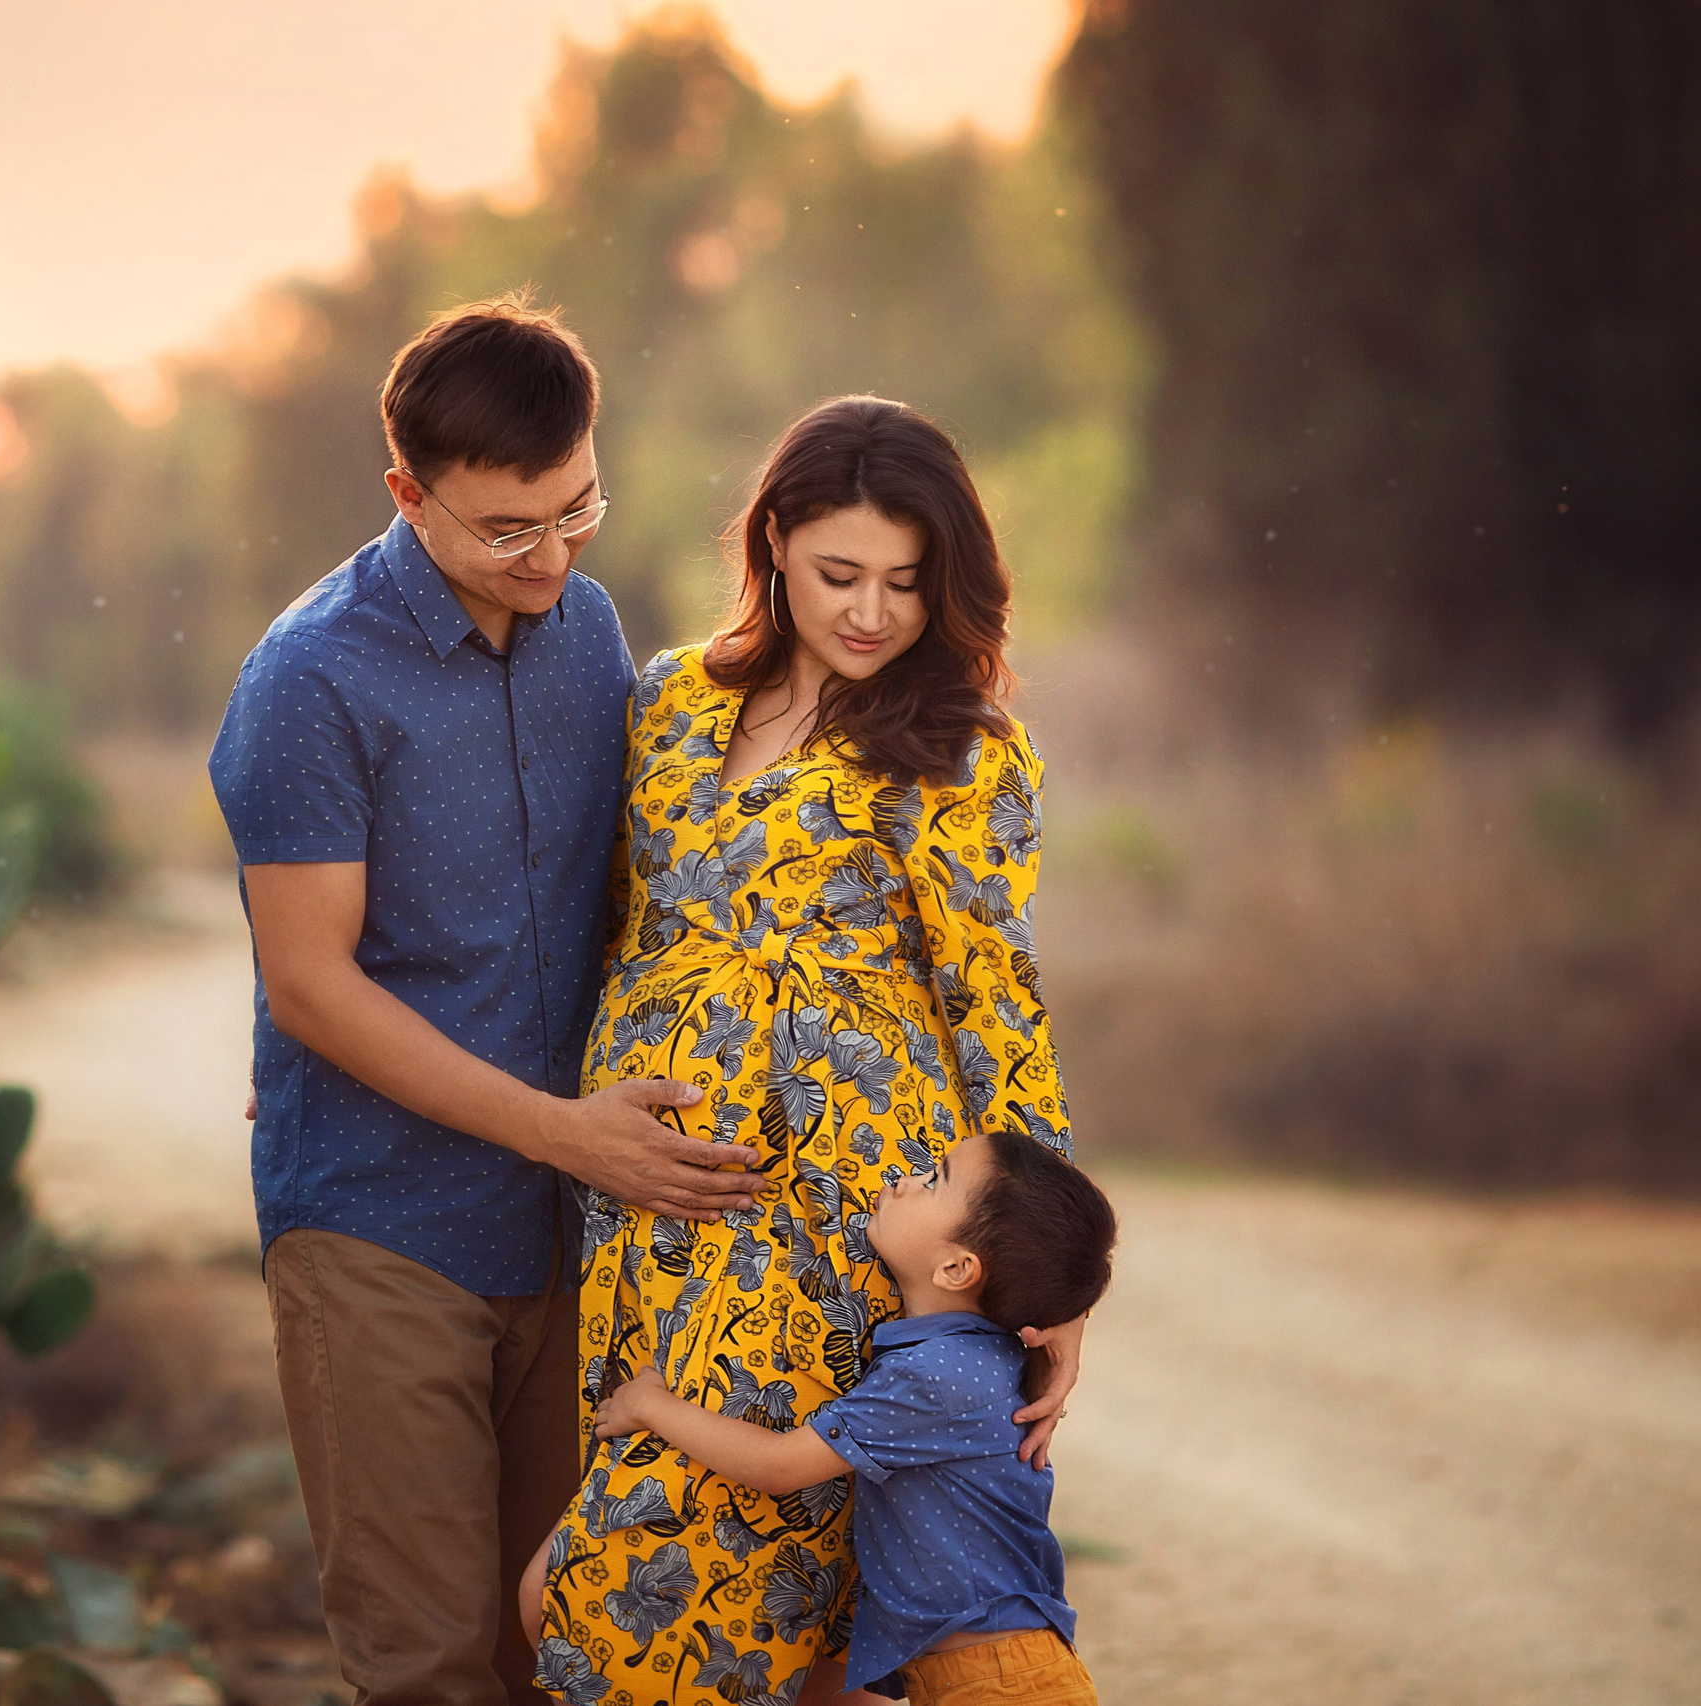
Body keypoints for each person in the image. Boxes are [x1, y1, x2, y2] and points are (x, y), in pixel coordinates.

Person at [209, 295, 778, 1705]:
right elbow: (309, 982)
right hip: (381, 1222)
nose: (552, 555)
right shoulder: (310, 676)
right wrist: (564, 1130)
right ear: (407, 494)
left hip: (577, 1233)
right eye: (508, 529)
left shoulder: (588, 627)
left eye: (578, 507)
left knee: (568, 1647)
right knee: (430, 1668)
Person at [530, 395, 1085, 1703]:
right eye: (840, 572)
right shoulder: (669, 700)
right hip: (650, 1208)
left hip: (836, 1224)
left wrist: (1049, 1276)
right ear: (773, 540)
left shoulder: (960, 745)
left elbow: (998, 1001)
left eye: (906, 580)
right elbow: (608, 925)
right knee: (614, 1568)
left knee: (768, 1580)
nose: (873, 612)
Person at [578, 1130, 1116, 1703]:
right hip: (998, 1667)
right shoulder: (980, 1356)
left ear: (957, 1269)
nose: (904, 1179)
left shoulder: (937, 1376)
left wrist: (652, 1405)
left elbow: (778, 1466)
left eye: (934, 1180)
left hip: (998, 1679)